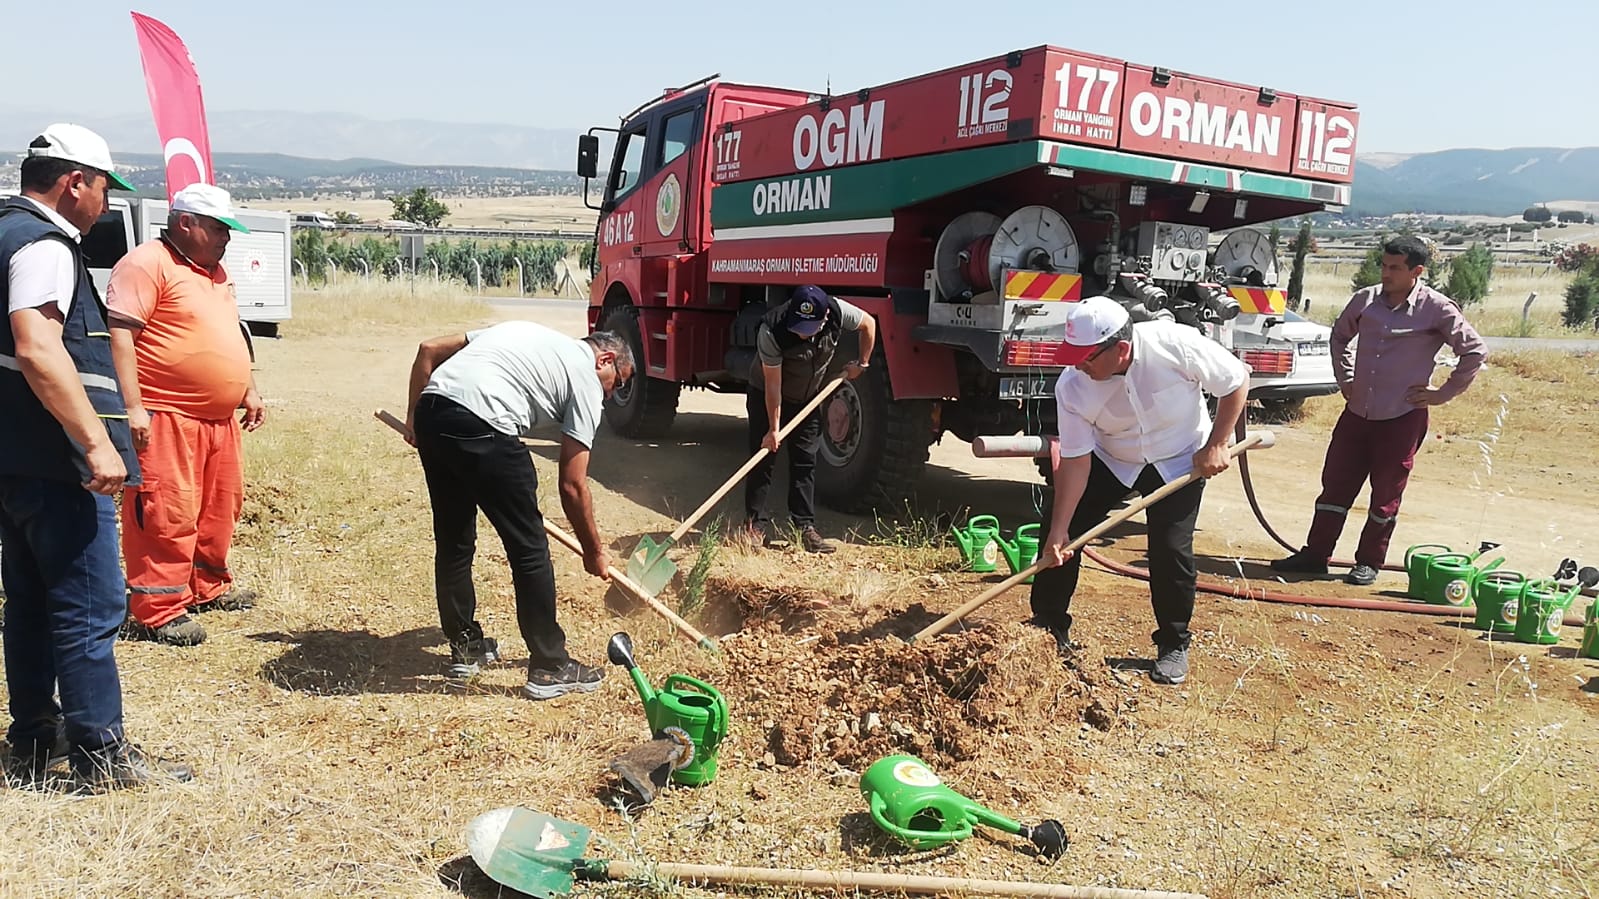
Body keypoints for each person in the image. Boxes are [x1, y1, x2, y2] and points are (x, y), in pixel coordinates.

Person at [0, 123, 193, 789]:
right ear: (74, 180)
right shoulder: (45, 242)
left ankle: (31, 740)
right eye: (105, 187)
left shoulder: (3, 231)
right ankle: (98, 754)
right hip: (56, 462)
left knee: (27, 604)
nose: (107, 204)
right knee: (89, 605)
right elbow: (36, 346)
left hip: (15, 457)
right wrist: (94, 443)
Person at [404, 320, 633, 699]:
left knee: (454, 540)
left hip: (434, 411)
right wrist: (593, 551)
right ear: (605, 359)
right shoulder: (587, 380)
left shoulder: (524, 331)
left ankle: (466, 647)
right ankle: (550, 666)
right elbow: (573, 484)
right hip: (483, 424)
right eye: (618, 382)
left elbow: (428, 349)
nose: (611, 396)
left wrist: (415, 418)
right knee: (529, 550)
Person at [1029, 295, 1250, 685]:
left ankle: (1173, 643)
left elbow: (1235, 381)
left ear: (1122, 349)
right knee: (1061, 531)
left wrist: (1217, 442)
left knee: (1170, 546)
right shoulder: (1073, 386)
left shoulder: (1174, 344)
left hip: (1180, 457)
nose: (1077, 364)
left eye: (1086, 357)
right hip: (1115, 459)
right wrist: (1061, 528)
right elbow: (1077, 461)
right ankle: (1048, 627)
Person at [1272, 236, 1487, 586]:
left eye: (1395, 268)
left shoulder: (1438, 308)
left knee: (1386, 493)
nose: (1386, 273)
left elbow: (1475, 352)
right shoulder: (1365, 300)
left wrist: (1442, 393)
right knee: (1335, 485)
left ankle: (1369, 561)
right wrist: (1346, 380)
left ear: (1416, 271)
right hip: (1357, 413)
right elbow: (1339, 336)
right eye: (1384, 266)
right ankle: (1315, 555)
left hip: (1401, 416)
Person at [109, 183, 265, 646]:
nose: (226, 238)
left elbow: (231, 335)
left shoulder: (216, 273)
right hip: (166, 415)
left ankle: (206, 586)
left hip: (217, 422)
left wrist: (248, 388)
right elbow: (121, 338)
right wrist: (132, 408)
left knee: (220, 508)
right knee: (165, 511)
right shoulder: (146, 264)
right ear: (186, 223)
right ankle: (158, 609)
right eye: (218, 228)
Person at [743, 284, 877, 553]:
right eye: (798, 327)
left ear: (824, 317)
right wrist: (772, 429)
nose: (800, 334)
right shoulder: (772, 330)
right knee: (763, 461)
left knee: (805, 461)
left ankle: (805, 527)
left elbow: (869, 324)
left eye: (807, 329)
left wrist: (862, 364)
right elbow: (773, 387)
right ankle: (754, 527)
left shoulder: (838, 311)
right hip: (767, 396)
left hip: (808, 399)